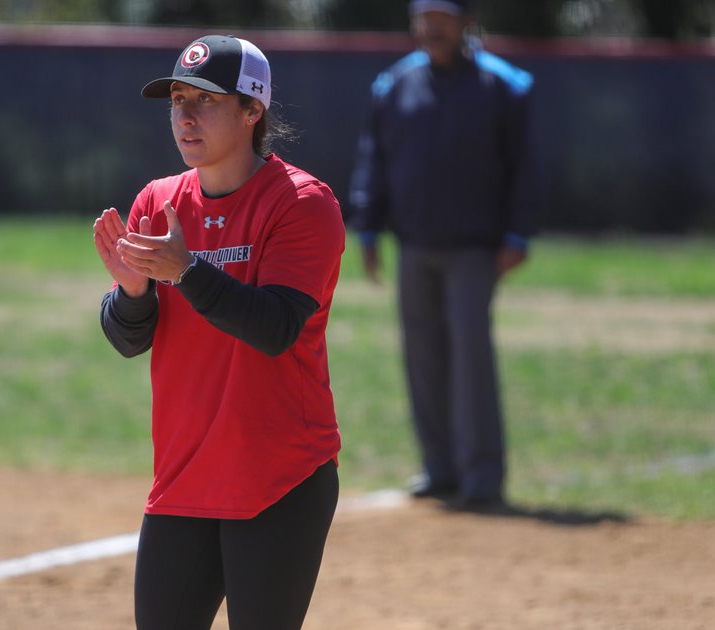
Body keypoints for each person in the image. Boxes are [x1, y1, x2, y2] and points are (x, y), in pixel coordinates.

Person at [94, 35, 345, 629]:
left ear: (253, 110)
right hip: (184, 476)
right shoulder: (159, 202)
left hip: (279, 476)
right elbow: (132, 337)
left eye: (204, 100)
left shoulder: (301, 203)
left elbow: (275, 327)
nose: (184, 116)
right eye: (176, 99)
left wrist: (186, 270)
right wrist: (131, 292)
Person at [349, 0, 538, 510]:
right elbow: (375, 158)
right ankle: (441, 469)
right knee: (423, 357)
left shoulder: (503, 86)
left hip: (475, 247)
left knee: (470, 358)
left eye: (443, 17)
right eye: (423, 18)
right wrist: (367, 227)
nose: (431, 28)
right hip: (414, 243)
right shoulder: (394, 86)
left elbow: (523, 166)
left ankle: (482, 476)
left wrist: (518, 234)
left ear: (466, 23)